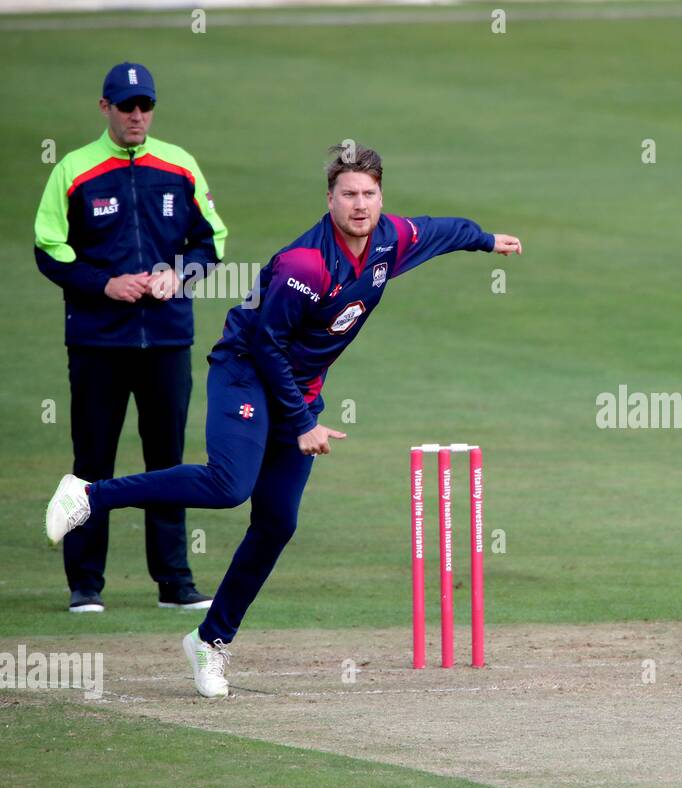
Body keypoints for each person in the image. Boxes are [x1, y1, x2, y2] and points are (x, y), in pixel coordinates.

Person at [45, 143, 522, 697]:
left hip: (298, 393)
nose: (360, 205)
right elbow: (268, 346)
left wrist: (486, 240)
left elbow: (441, 231)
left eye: (369, 194)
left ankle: (210, 641)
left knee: (276, 522)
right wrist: (301, 424)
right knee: (228, 485)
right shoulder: (305, 264)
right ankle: (87, 496)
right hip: (246, 372)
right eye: (349, 194)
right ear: (330, 199)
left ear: (381, 197)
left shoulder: (391, 238)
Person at [35, 62, 227, 614]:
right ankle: (85, 585)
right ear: (105, 109)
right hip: (98, 342)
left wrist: (179, 274)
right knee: (93, 459)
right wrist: (104, 284)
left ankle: (173, 581)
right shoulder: (74, 169)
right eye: (126, 106)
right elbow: (49, 247)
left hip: (167, 340)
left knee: (167, 459)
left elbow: (210, 240)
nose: (137, 115)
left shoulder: (180, 165)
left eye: (145, 106)